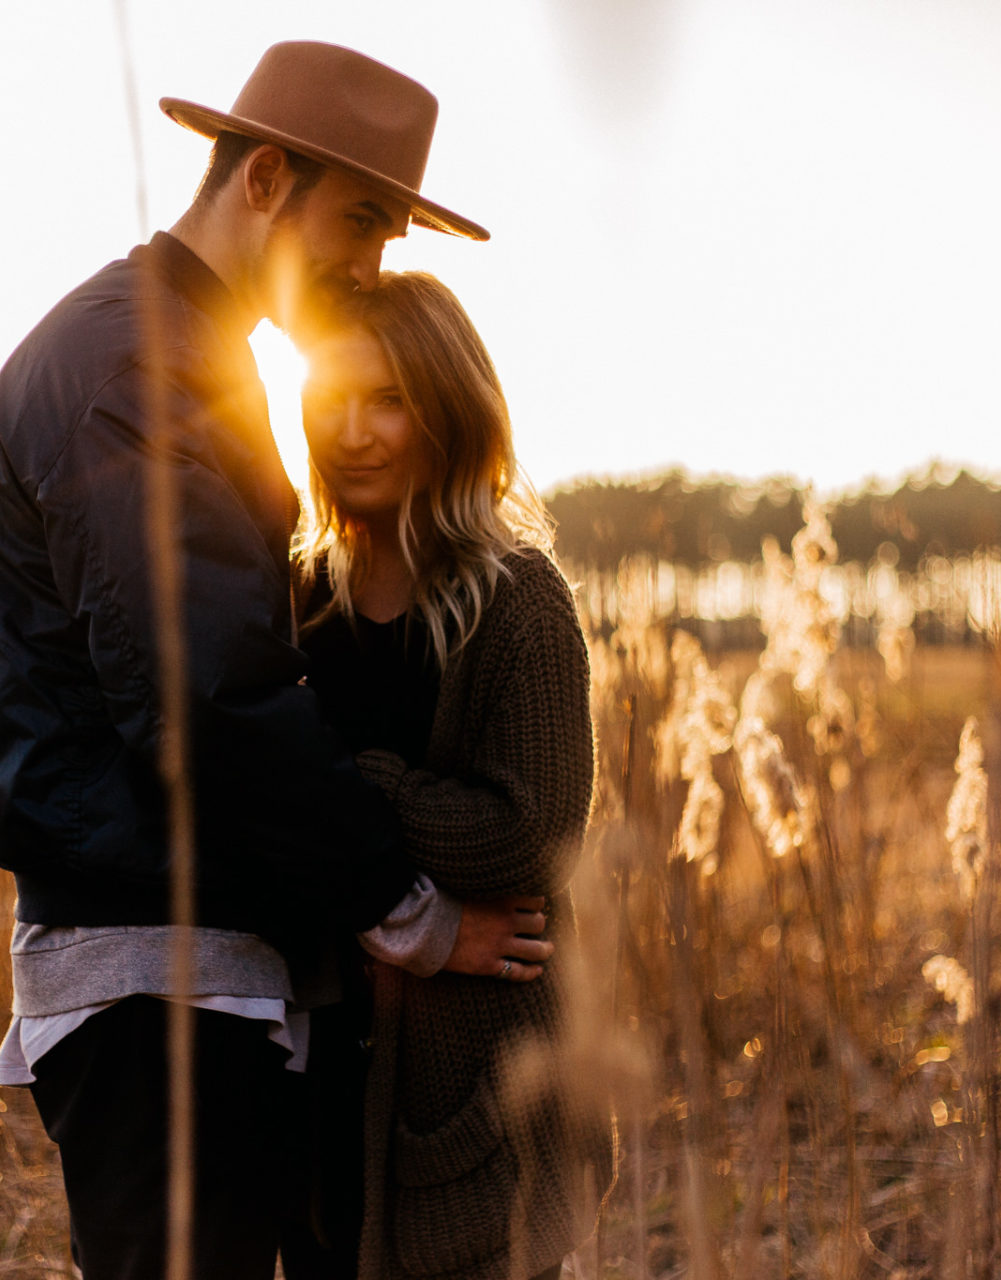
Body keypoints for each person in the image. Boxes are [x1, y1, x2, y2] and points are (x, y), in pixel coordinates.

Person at [0, 42, 552, 1280]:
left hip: (197, 978)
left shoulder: (186, 353)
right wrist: (414, 913)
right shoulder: (136, 365)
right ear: (266, 177)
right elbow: (205, 697)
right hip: (152, 984)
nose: (370, 267)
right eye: (365, 222)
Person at [296, 272, 615, 1280]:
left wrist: (341, 778)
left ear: (448, 408)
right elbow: (262, 821)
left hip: (474, 1082)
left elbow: (529, 834)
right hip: (316, 1071)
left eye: (386, 398)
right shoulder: (297, 595)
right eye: (332, 397)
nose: (353, 429)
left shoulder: (518, 600)